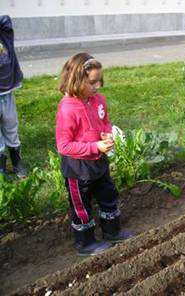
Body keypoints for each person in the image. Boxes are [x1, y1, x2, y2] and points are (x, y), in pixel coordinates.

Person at [56, 53, 134, 256]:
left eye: (100, 80)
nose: (97, 86)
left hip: (99, 161)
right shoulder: (68, 109)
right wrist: (94, 147)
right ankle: (85, 242)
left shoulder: (98, 100)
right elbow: (64, 146)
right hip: (78, 169)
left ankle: (112, 231)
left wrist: (107, 132)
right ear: (76, 80)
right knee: (81, 206)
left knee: (108, 194)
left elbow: (104, 120)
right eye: (92, 82)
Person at [0, 15, 27, 178]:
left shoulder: (5, 34)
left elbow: (5, 20)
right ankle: (1, 168)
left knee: (11, 126)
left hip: (7, 93)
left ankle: (17, 163)